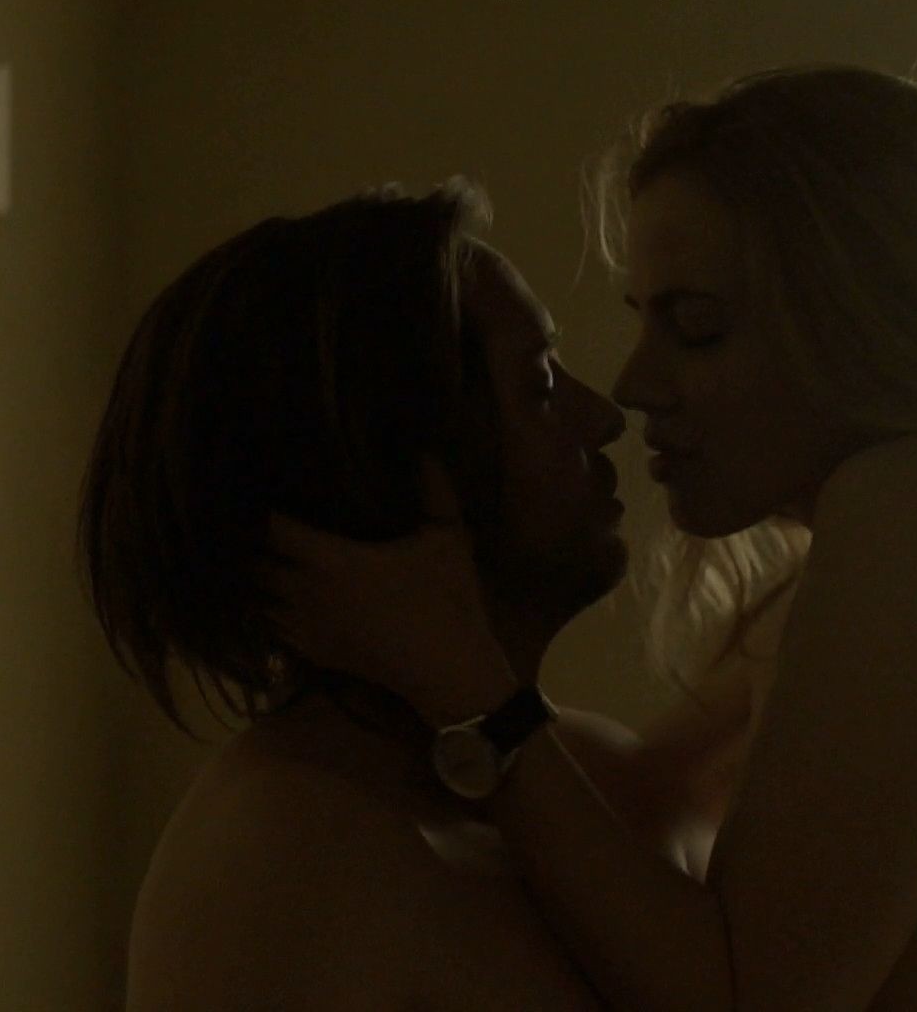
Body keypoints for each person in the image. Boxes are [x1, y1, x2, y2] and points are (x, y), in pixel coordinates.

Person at [263, 65, 917, 1010]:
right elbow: (646, 790)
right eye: (644, 320)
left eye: (698, 327)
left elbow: (746, 996)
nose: (634, 386)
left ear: (874, 315)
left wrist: (472, 693)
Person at [79, 181, 738, 1008]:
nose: (603, 418)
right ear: (392, 469)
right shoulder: (285, 856)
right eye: (538, 384)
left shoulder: (594, 774)